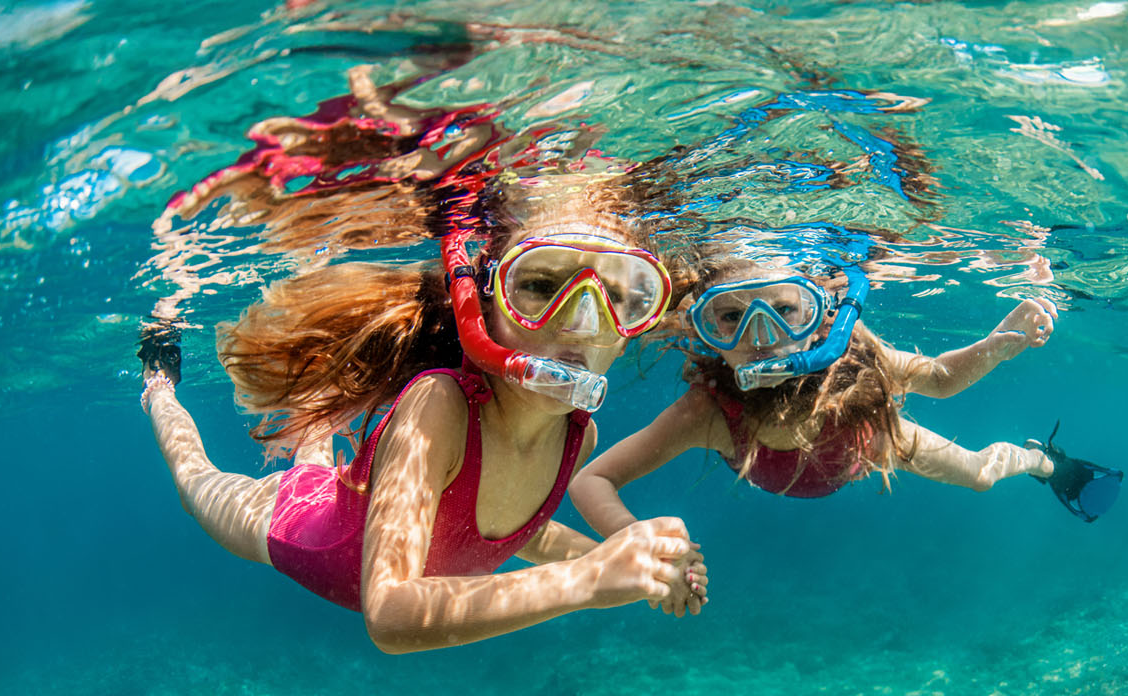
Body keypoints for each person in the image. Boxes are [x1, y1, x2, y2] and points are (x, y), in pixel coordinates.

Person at [136, 75, 710, 650]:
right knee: (196, 484)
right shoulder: (438, 406)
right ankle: (158, 384)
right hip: (298, 529)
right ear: (483, 302)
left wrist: (639, 568)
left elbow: (514, 533)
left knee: (318, 452)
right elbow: (389, 613)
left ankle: (316, 428)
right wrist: (592, 577)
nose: (581, 321)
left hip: (347, 498)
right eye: (539, 284)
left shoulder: (576, 437)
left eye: (620, 295)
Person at [570, 246, 1121, 552]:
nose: (760, 337)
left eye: (785, 311)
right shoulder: (709, 411)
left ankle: (1039, 460)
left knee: (980, 475)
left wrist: (995, 347)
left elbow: (937, 379)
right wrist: (633, 539)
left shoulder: (853, 354)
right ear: (705, 328)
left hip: (875, 443)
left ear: (820, 317)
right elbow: (592, 480)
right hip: (822, 460)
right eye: (731, 318)